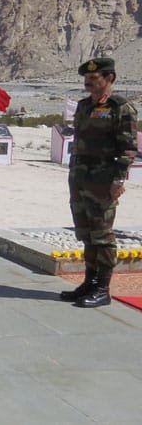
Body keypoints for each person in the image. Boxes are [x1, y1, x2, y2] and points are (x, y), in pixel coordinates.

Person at [60, 57, 138, 308]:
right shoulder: (84, 106)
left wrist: (118, 179)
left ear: (109, 78)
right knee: (86, 233)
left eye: (94, 78)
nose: (88, 83)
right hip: (79, 178)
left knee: (102, 235)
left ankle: (103, 288)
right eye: (86, 79)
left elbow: (128, 149)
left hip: (102, 180)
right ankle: (89, 282)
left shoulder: (121, 108)